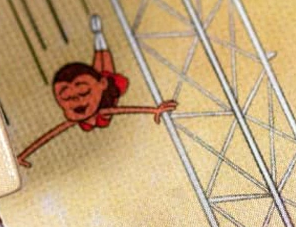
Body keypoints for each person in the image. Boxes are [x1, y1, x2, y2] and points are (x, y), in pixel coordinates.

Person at [16, 15, 177, 168]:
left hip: (110, 88)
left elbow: (126, 109)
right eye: (67, 98)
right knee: (99, 67)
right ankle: (98, 37)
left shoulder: (103, 107)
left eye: (83, 93)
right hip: (101, 87)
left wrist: (155, 110)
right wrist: (21, 156)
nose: (77, 101)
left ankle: (99, 37)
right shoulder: (87, 114)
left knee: (103, 65)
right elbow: (48, 136)